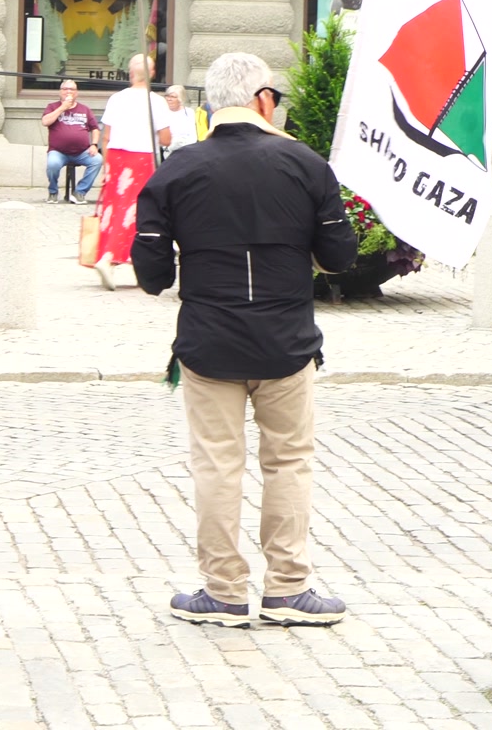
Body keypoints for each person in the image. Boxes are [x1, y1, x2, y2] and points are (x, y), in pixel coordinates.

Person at [132, 51, 358, 629]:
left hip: (209, 341)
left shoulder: (178, 170)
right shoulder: (305, 163)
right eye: (276, 97)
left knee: (216, 465)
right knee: (289, 463)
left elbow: (152, 275)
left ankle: (224, 592)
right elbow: (340, 256)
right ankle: (288, 588)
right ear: (262, 99)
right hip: (287, 341)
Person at [92, 54, 172, 289]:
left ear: (130, 73)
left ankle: (115, 257)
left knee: (114, 209)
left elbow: (106, 137)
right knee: (135, 211)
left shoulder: (116, 98)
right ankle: (110, 257)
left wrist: (106, 167)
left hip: (116, 158)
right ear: (152, 73)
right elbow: (166, 139)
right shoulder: (156, 102)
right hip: (142, 158)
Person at [41, 79, 101, 204]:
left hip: (82, 152)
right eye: (65, 89)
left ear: (76, 93)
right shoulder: (52, 107)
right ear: (60, 92)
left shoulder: (84, 109)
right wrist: (62, 108)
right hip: (58, 152)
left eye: (72, 89)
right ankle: (53, 192)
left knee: (97, 160)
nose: (68, 91)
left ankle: (80, 192)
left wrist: (94, 144)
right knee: (52, 164)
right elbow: (45, 122)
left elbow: (95, 128)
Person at [162, 85, 200, 158]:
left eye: (172, 97)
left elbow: (193, 136)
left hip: (186, 149)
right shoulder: (162, 112)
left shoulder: (189, 112)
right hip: (168, 150)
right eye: (167, 96)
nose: (169, 99)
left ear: (180, 99)